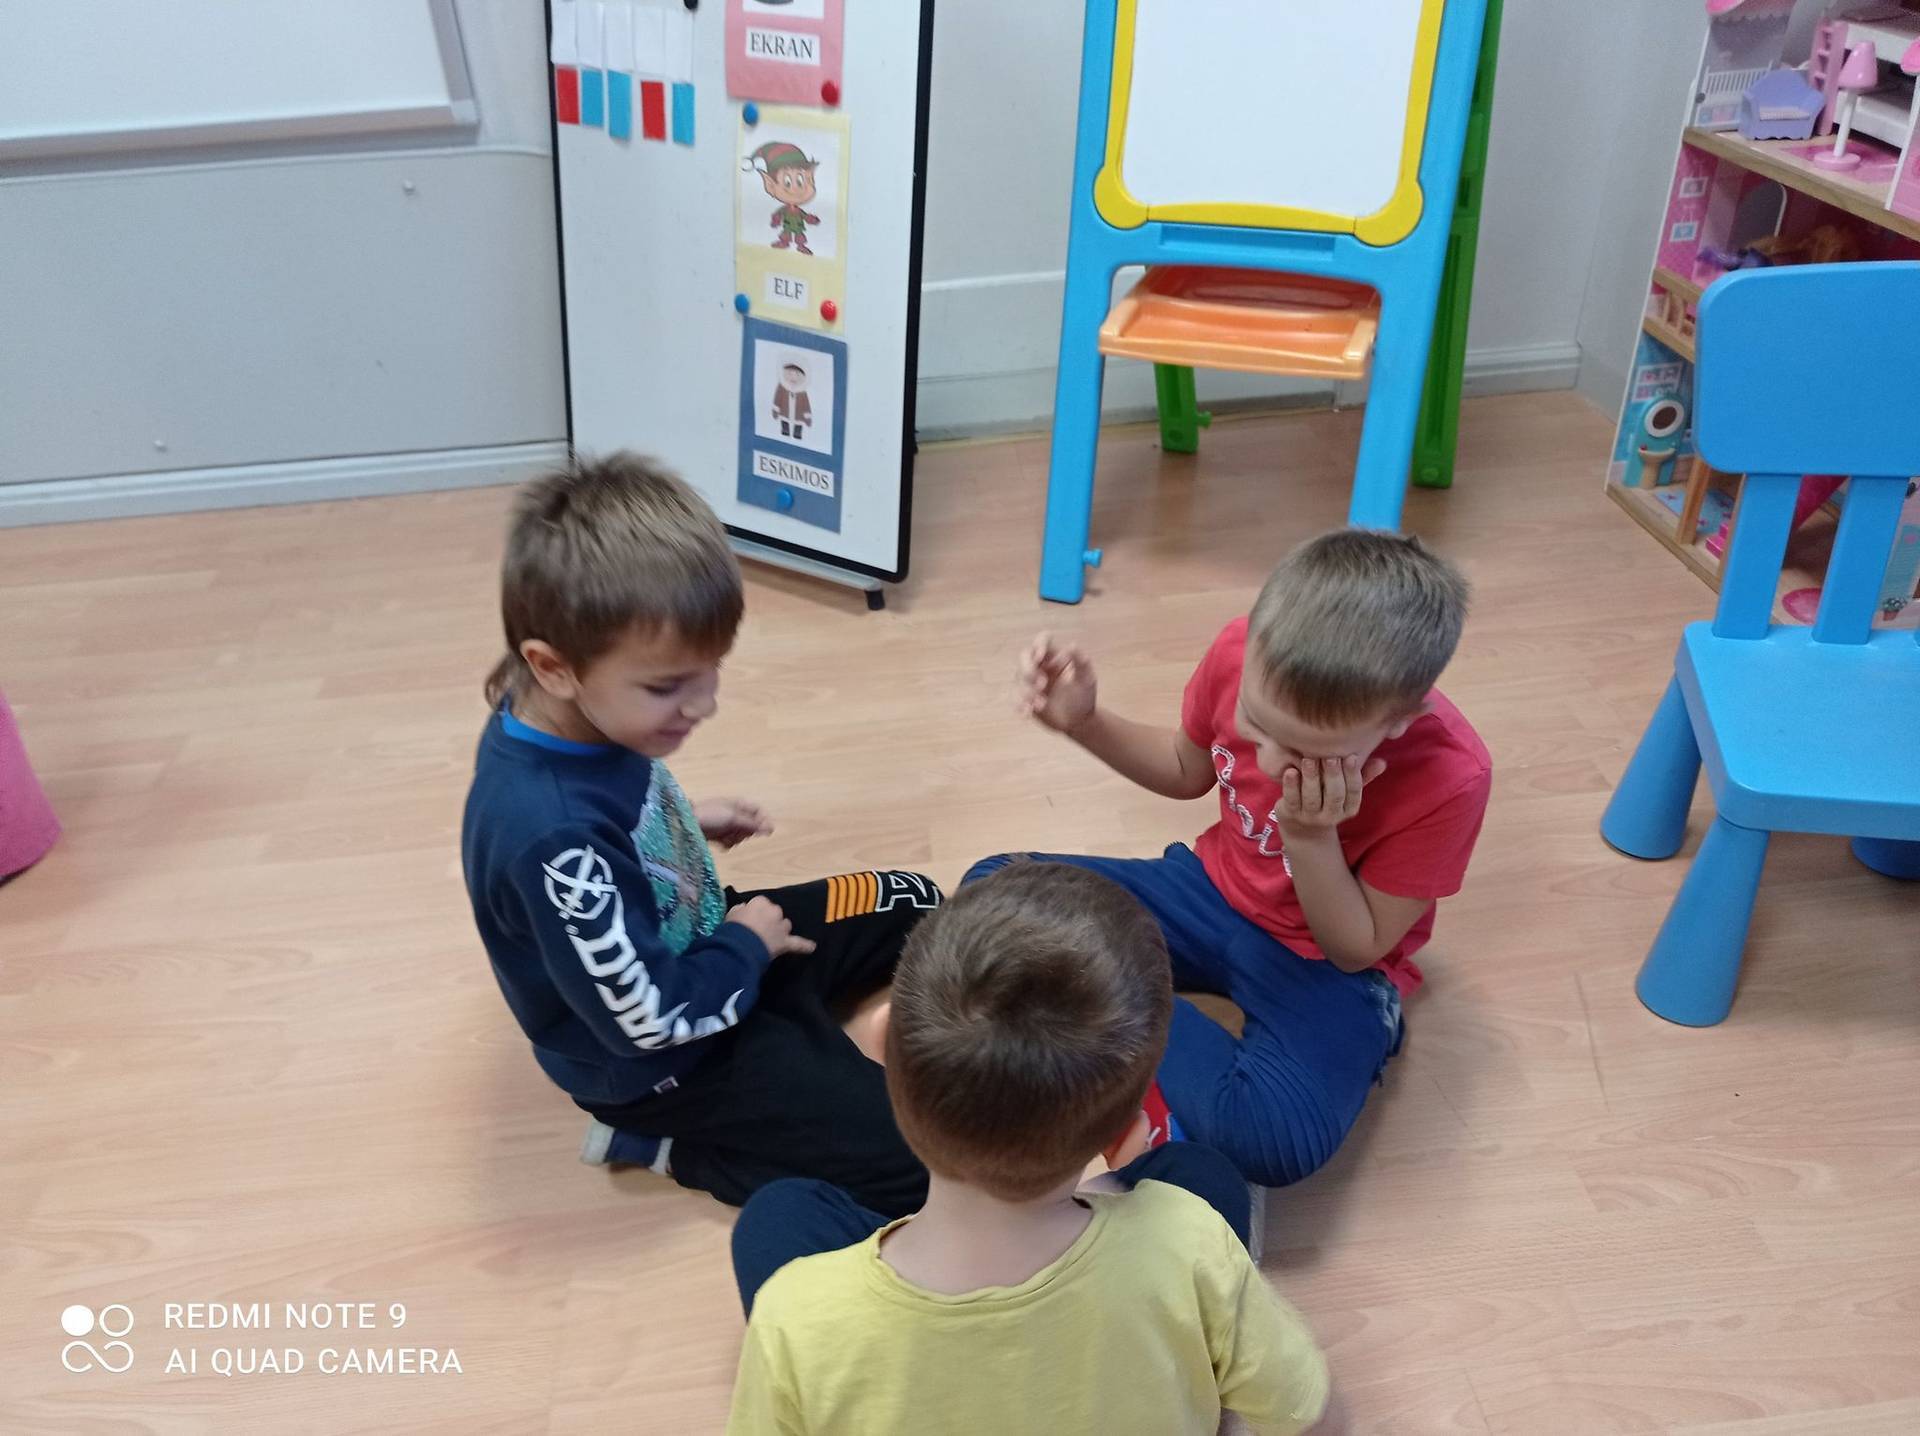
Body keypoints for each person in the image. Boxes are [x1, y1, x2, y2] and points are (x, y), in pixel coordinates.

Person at [460, 452, 938, 1216]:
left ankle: (795, 1039)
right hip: (669, 1061)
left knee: (915, 898)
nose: (704, 705)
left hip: (711, 939)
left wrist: (679, 822)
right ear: (552, 667)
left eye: (710, 670)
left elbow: (611, 803)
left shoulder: (570, 710)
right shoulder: (554, 841)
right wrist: (745, 949)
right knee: (923, 1169)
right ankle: (673, 1148)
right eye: (667, 686)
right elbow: (648, 1020)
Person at [726, 861, 1337, 1436]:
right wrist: (1127, 1207)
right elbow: (1298, 1407)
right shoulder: (1191, 1240)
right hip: (1144, 1292)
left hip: (864, 1324)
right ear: (1130, 1123)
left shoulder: (795, 1318)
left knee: (779, 1215)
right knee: (1199, 1174)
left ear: (882, 1045)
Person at [980, 528, 1491, 1187]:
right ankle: (1130, 1043)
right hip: (1209, 889)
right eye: (1256, 722)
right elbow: (1184, 767)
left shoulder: (1452, 776)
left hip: (1323, 964)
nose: (1270, 763)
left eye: (1307, 753)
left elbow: (1354, 949)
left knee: (1278, 1139)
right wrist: (1085, 722)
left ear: (1400, 720)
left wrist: (1310, 838)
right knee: (992, 890)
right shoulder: (1236, 650)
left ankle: (1089, 1018)